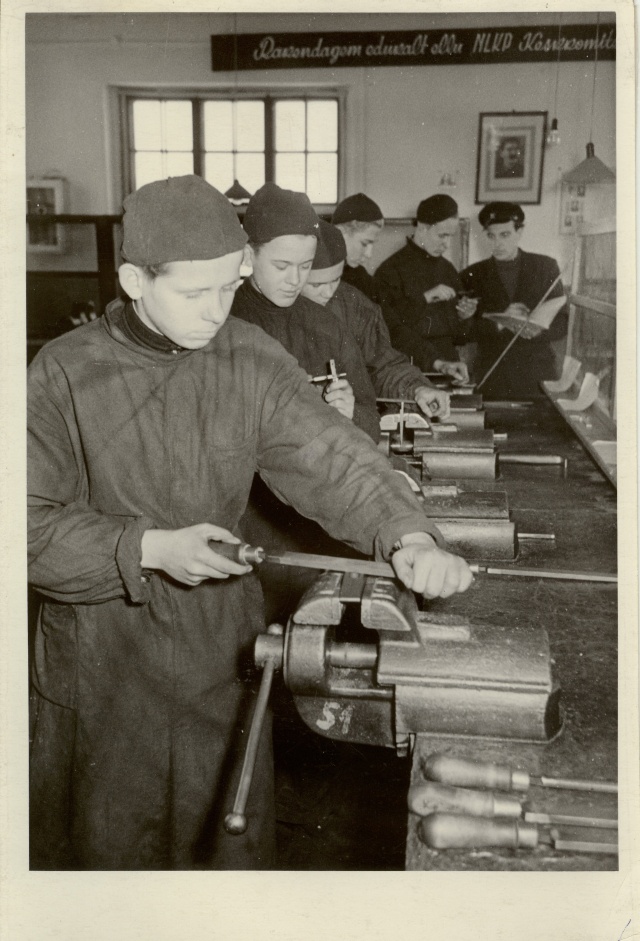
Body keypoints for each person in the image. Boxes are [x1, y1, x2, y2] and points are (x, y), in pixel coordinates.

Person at [28, 175, 473, 870]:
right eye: (193, 293)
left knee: (223, 858)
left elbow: (331, 455)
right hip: (101, 664)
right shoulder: (60, 374)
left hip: (218, 657)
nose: (215, 313)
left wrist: (406, 532)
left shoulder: (248, 357)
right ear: (133, 280)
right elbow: (24, 529)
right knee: (108, 858)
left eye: (228, 288)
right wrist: (144, 546)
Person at [231, 183, 381, 442]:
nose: (295, 280)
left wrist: (351, 413)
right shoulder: (222, 320)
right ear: (247, 255)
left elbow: (372, 424)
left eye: (306, 265)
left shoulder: (327, 326)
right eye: (281, 266)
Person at [301, 219, 451, 420]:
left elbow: (383, 365)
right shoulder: (268, 311)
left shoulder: (355, 305)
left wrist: (417, 390)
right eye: (317, 285)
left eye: (335, 280)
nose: (328, 293)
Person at [460, 202, 567, 400]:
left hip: (537, 375)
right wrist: (501, 324)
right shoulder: (471, 275)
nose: (497, 244)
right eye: (491, 236)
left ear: (520, 231)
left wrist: (533, 328)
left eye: (505, 235)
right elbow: (463, 332)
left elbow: (562, 323)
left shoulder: (546, 267)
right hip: (492, 376)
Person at [374, 194, 477, 383]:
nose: (446, 244)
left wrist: (464, 317)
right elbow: (387, 329)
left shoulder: (448, 269)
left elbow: (461, 337)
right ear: (422, 227)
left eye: (450, 236)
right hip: (408, 367)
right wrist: (425, 298)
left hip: (450, 367)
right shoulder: (390, 270)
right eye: (442, 235)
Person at [331, 192, 383, 303]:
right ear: (341, 232)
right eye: (364, 244)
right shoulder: (314, 273)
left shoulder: (362, 278)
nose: (369, 254)